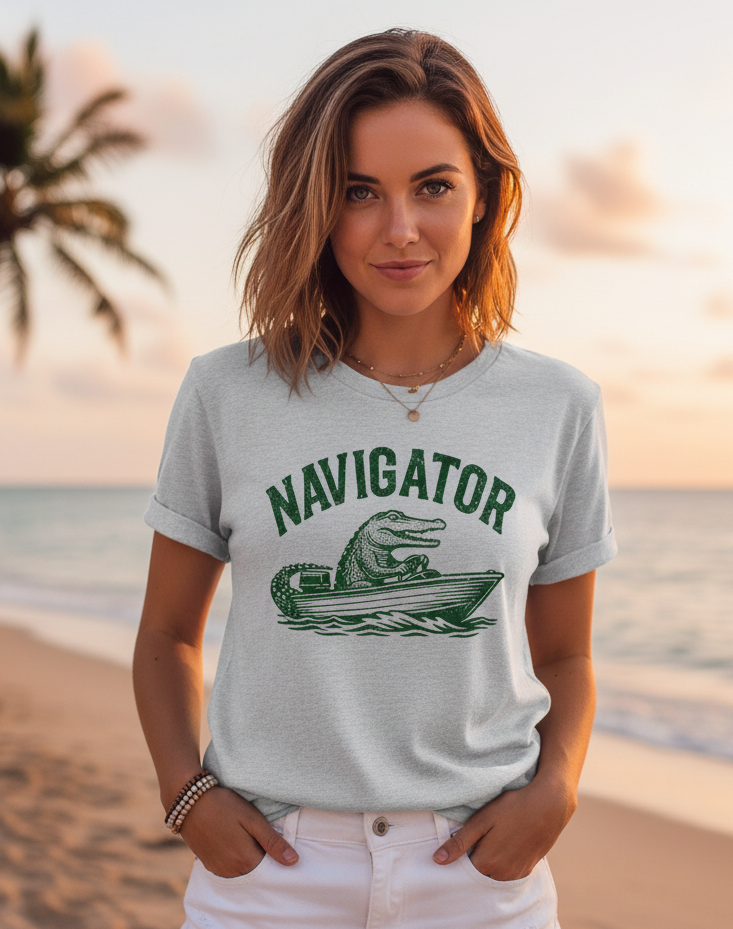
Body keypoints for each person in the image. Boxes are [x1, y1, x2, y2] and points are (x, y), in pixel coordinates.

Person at [133, 28, 616, 929]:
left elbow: (566, 655)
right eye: (360, 192)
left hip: (481, 871)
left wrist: (558, 788)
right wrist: (184, 791)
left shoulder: (559, 406)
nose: (400, 229)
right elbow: (167, 631)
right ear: (316, 206)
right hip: (271, 870)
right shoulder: (226, 393)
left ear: (484, 198)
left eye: (433, 186)